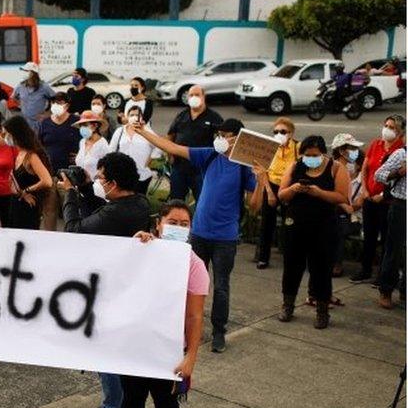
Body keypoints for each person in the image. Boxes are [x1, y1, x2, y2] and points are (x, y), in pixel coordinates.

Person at [135, 118, 263, 352]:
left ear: (239, 138)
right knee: (185, 282)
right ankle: (180, 327)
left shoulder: (244, 166)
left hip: (225, 238)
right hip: (199, 234)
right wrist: (144, 133)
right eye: (220, 134)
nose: (221, 139)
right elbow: (172, 148)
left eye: (227, 135)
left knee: (221, 286)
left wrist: (261, 178)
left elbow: (255, 206)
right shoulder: (210, 155)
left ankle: (218, 332)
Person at [104, 200, 207, 408]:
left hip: (170, 348)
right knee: (132, 398)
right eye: (172, 222)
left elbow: (196, 317)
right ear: (158, 224)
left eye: (184, 224)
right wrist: (134, 246)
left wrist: (191, 358)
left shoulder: (194, 265)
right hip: (136, 344)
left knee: (166, 401)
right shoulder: (144, 250)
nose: (178, 228)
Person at [59, 152, 151, 408]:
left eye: (100, 179)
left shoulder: (119, 211)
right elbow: (103, 213)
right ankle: (118, 405)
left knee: (104, 351)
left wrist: (71, 195)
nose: (98, 182)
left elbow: (75, 230)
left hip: (111, 293)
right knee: (114, 351)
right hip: (126, 289)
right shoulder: (138, 202)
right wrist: (86, 188)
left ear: (113, 182)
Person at [277, 136, 350, 329]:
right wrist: (293, 189)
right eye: (307, 155)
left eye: (315, 155)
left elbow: (342, 197)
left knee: (321, 270)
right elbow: (282, 195)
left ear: (323, 153)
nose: (310, 158)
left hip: (323, 226)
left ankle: (322, 310)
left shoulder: (335, 168)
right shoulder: (295, 166)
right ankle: (288, 305)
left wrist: (319, 193)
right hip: (296, 224)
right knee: (292, 266)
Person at [351, 115, 405, 284]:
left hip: (388, 201)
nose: (388, 130)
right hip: (369, 197)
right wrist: (365, 190)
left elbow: (396, 177)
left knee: (387, 238)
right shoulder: (376, 144)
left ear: (401, 132)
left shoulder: (400, 150)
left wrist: (381, 196)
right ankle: (365, 269)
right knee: (369, 236)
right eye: (386, 125)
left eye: (393, 128)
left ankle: (383, 274)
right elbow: (366, 168)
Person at [255, 117, 300, 269]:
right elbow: (262, 170)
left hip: (289, 188)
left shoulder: (298, 148)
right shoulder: (269, 147)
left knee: (290, 225)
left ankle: (291, 257)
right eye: (276, 131)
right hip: (272, 186)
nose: (279, 134)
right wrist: (269, 192)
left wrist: (291, 191)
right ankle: (263, 258)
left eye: (283, 131)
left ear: (291, 133)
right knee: (267, 223)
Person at [165, 85, 223, 202]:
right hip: (179, 167)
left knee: (203, 201)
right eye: (191, 95)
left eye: (197, 95)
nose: (194, 97)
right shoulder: (182, 115)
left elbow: (223, 140)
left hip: (201, 169)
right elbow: (170, 135)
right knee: (176, 200)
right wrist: (169, 155)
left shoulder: (214, 118)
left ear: (203, 97)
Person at [37, 92, 79, 231]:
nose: (56, 105)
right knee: (49, 210)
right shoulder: (45, 123)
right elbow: (39, 146)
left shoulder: (76, 121)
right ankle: (49, 239)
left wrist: (80, 155)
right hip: (49, 174)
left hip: (68, 175)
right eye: (54, 102)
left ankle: (71, 239)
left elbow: (86, 142)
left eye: (60, 103)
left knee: (70, 211)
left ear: (67, 105)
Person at [5, 115, 53, 230]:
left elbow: (47, 181)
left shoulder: (32, 156)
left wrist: (27, 191)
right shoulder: (19, 154)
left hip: (28, 208)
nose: (6, 137)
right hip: (16, 204)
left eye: (8, 134)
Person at [375, 144, 406, 309]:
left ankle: (404, 291)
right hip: (401, 205)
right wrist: (397, 173)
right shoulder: (401, 154)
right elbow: (378, 175)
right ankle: (386, 290)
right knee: (394, 250)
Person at [330, 133, 365, 278]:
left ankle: (336, 264)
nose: (354, 152)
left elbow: (356, 203)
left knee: (338, 225)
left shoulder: (353, 171)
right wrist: (345, 206)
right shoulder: (333, 169)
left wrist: (347, 207)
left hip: (351, 218)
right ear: (341, 151)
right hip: (336, 212)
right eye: (351, 148)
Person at [108, 105, 159, 195]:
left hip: (141, 174)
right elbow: (111, 150)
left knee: (139, 199)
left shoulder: (147, 131)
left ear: (141, 117)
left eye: (137, 115)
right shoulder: (119, 131)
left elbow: (159, 147)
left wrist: (149, 161)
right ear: (127, 117)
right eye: (131, 115)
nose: (134, 117)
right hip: (122, 174)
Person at [12, 62, 55, 130]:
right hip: (25, 121)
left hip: (39, 122)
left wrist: (48, 114)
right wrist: (22, 105)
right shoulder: (20, 86)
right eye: (23, 70)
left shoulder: (44, 87)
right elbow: (13, 97)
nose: (23, 72)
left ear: (33, 73)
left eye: (26, 71)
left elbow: (55, 99)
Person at [72, 111, 110, 182]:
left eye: (85, 125)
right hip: (81, 185)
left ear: (95, 126)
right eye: (81, 125)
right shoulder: (82, 142)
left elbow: (108, 168)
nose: (82, 128)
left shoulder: (102, 144)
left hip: (96, 185)